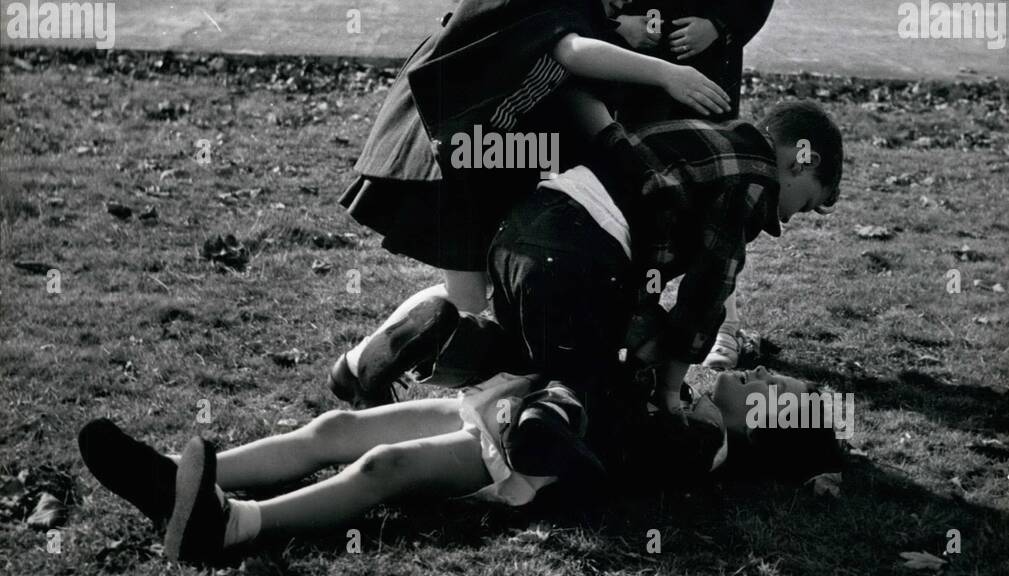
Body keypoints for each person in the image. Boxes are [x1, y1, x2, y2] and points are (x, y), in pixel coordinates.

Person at [333, 0, 731, 405]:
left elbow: (567, 42)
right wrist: (666, 72)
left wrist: (618, 30)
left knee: (481, 299)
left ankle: (363, 369)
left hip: (477, 156)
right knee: (473, 305)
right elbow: (570, 48)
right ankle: (400, 383)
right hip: (449, 148)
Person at [335, 97, 843, 478]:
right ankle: (542, 428)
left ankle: (429, 339)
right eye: (803, 203)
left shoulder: (700, 134)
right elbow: (707, 292)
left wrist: (645, 329)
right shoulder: (754, 179)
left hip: (529, 224)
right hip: (583, 249)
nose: (785, 218)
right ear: (801, 163)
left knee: (523, 347)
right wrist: (669, 387)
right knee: (586, 370)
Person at [77, 364, 844, 569]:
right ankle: (200, 477)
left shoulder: (698, 443)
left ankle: (233, 527)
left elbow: (603, 446)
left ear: (767, 431)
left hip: (522, 447)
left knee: (381, 466)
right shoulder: (699, 385)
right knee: (338, 425)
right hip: (510, 400)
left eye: (786, 396)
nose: (775, 382)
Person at [603, 0, 783, 371]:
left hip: (704, 85)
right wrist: (620, 27)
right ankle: (631, 314)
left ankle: (702, 325)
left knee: (712, 203)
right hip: (630, 82)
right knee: (639, 193)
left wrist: (718, 24)